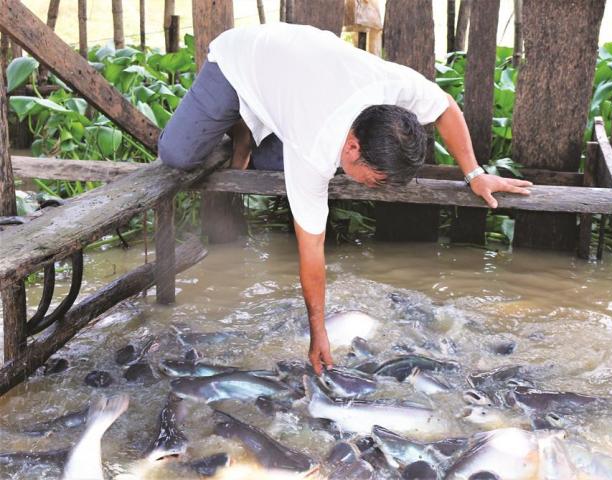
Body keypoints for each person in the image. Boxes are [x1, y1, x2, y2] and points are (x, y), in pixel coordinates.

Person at [158, 23, 532, 374]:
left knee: (271, 160)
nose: (378, 189)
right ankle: (239, 119)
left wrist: (474, 173)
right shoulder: (313, 147)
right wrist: (319, 333)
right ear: (353, 145)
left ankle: (249, 133)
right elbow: (312, 249)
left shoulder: (395, 89)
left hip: (303, 79)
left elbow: (446, 106)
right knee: (178, 155)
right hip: (242, 61)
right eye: (376, 180)